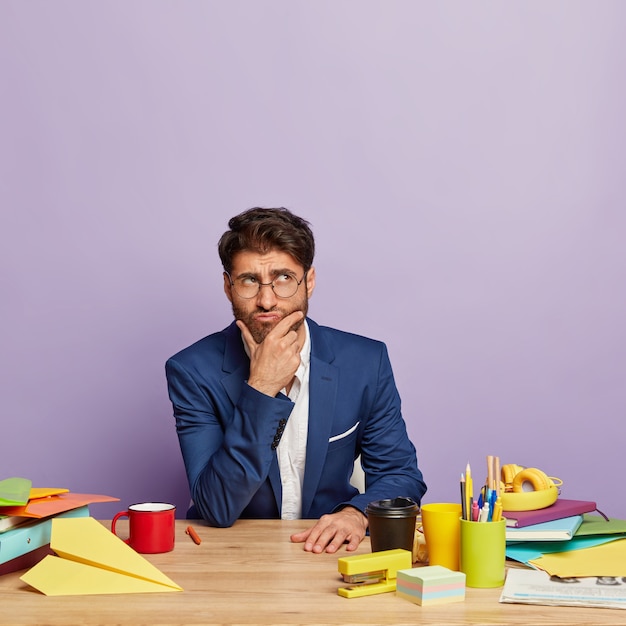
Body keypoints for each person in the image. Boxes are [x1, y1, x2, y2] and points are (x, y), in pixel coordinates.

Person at [165, 207, 426, 554]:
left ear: (310, 281)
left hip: (329, 555)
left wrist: (356, 514)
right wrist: (261, 388)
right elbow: (217, 507)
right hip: (234, 557)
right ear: (228, 287)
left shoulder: (365, 362)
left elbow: (401, 476)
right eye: (249, 281)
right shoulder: (192, 371)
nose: (267, 299)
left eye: (284, 278)